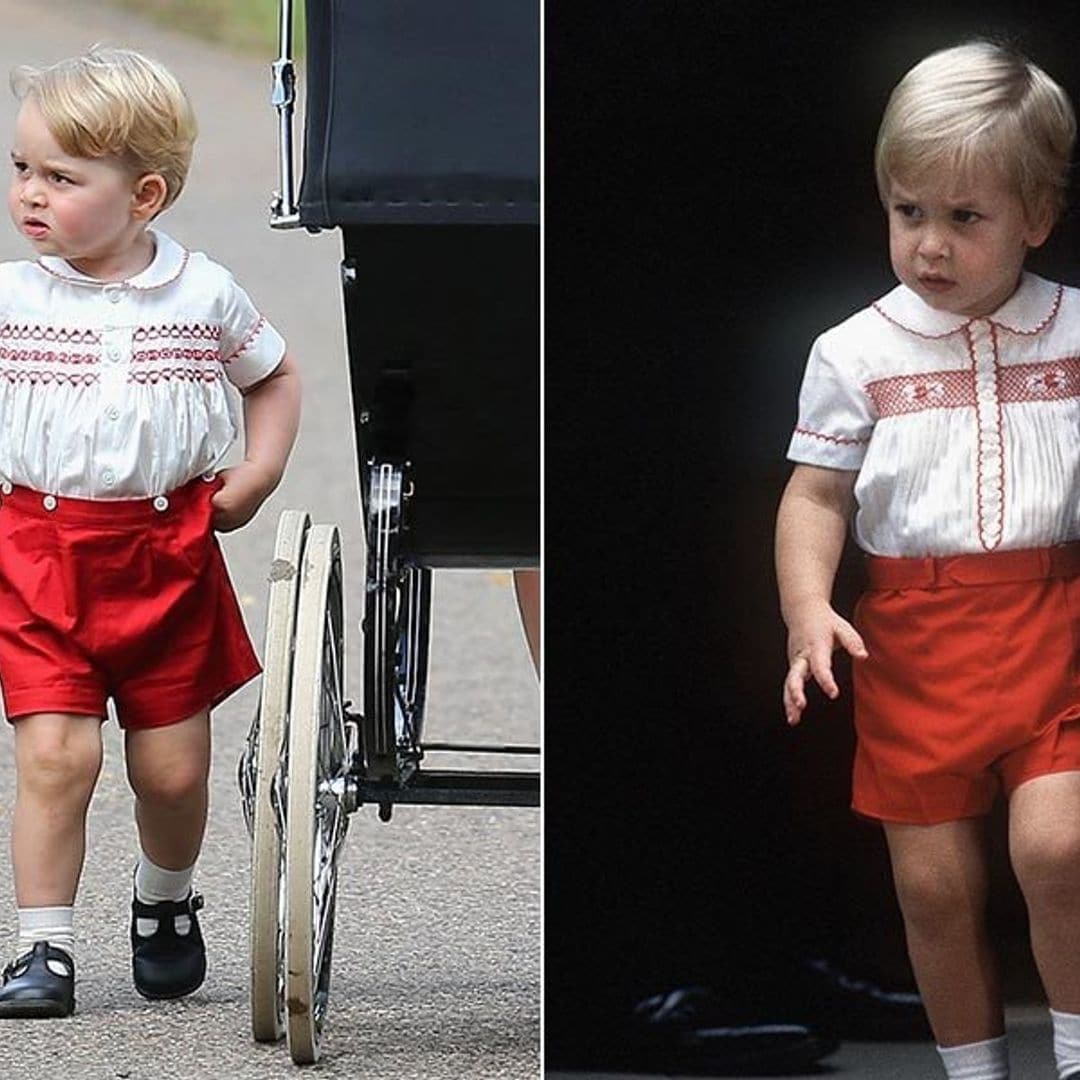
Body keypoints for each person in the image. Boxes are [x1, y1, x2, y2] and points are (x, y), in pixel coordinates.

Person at [776, 39, 1080, 1080]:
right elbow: (814, 493)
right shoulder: (855, 351)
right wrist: (808, 611)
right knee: (937, 890)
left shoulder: (1075, 334)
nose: (931, 246)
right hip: (915, 640)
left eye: (966, 217)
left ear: (1036, 216)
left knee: (1060, 852)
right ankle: (976, 1073)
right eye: (910, 213)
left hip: (1058, 623)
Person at [0, 46, 301, 1018]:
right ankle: (40, 948)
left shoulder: (202, 295)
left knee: (171, 772)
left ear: (146, 194)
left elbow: (275, 378)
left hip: (166, 555)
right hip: (38, 554)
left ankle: (164, 899)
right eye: (21, 170)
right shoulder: (13, 298)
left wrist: (255, 474)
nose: (29, 195)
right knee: (58, 756)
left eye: (60, 177)